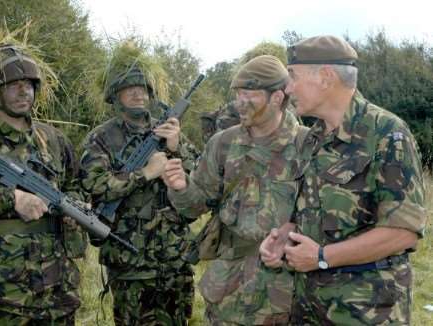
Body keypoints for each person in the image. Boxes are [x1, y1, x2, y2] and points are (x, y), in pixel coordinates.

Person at [260, 35, 427, 325]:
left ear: (325, 77)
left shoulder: (386, 133)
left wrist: (322, 256)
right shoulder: (312, 138)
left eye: (292, 76)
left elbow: (404, 232)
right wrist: (284, 237)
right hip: (309, 307)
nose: (287, 88)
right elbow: (309, 212)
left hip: (366, 311)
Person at [163, 55, 308, 325]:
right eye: (237, 94)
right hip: (230, 294)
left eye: (248, 95)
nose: (238, 103)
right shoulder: (223, 144)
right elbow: (195, 207)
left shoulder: (307, 146)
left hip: (289, 293)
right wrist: (181, 188)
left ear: (277, 98)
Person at [79, 41, 198, 326]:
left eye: (142, 88)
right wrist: (145, 173)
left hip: (175, 257)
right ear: (115, 96)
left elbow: (200, 182)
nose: (137, 93)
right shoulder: (101, 138)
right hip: (130, 260)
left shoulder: (169, 130)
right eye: (128, 89)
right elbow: (94, 185)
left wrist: (176, 146)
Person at [0, 44, 86, 324]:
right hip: (5, 293)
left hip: (58, 288)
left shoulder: (53, 140)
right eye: (13, 84)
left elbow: (75, 183)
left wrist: (75, 205)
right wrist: (11, 199)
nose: (23, 91)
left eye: (28, 84)